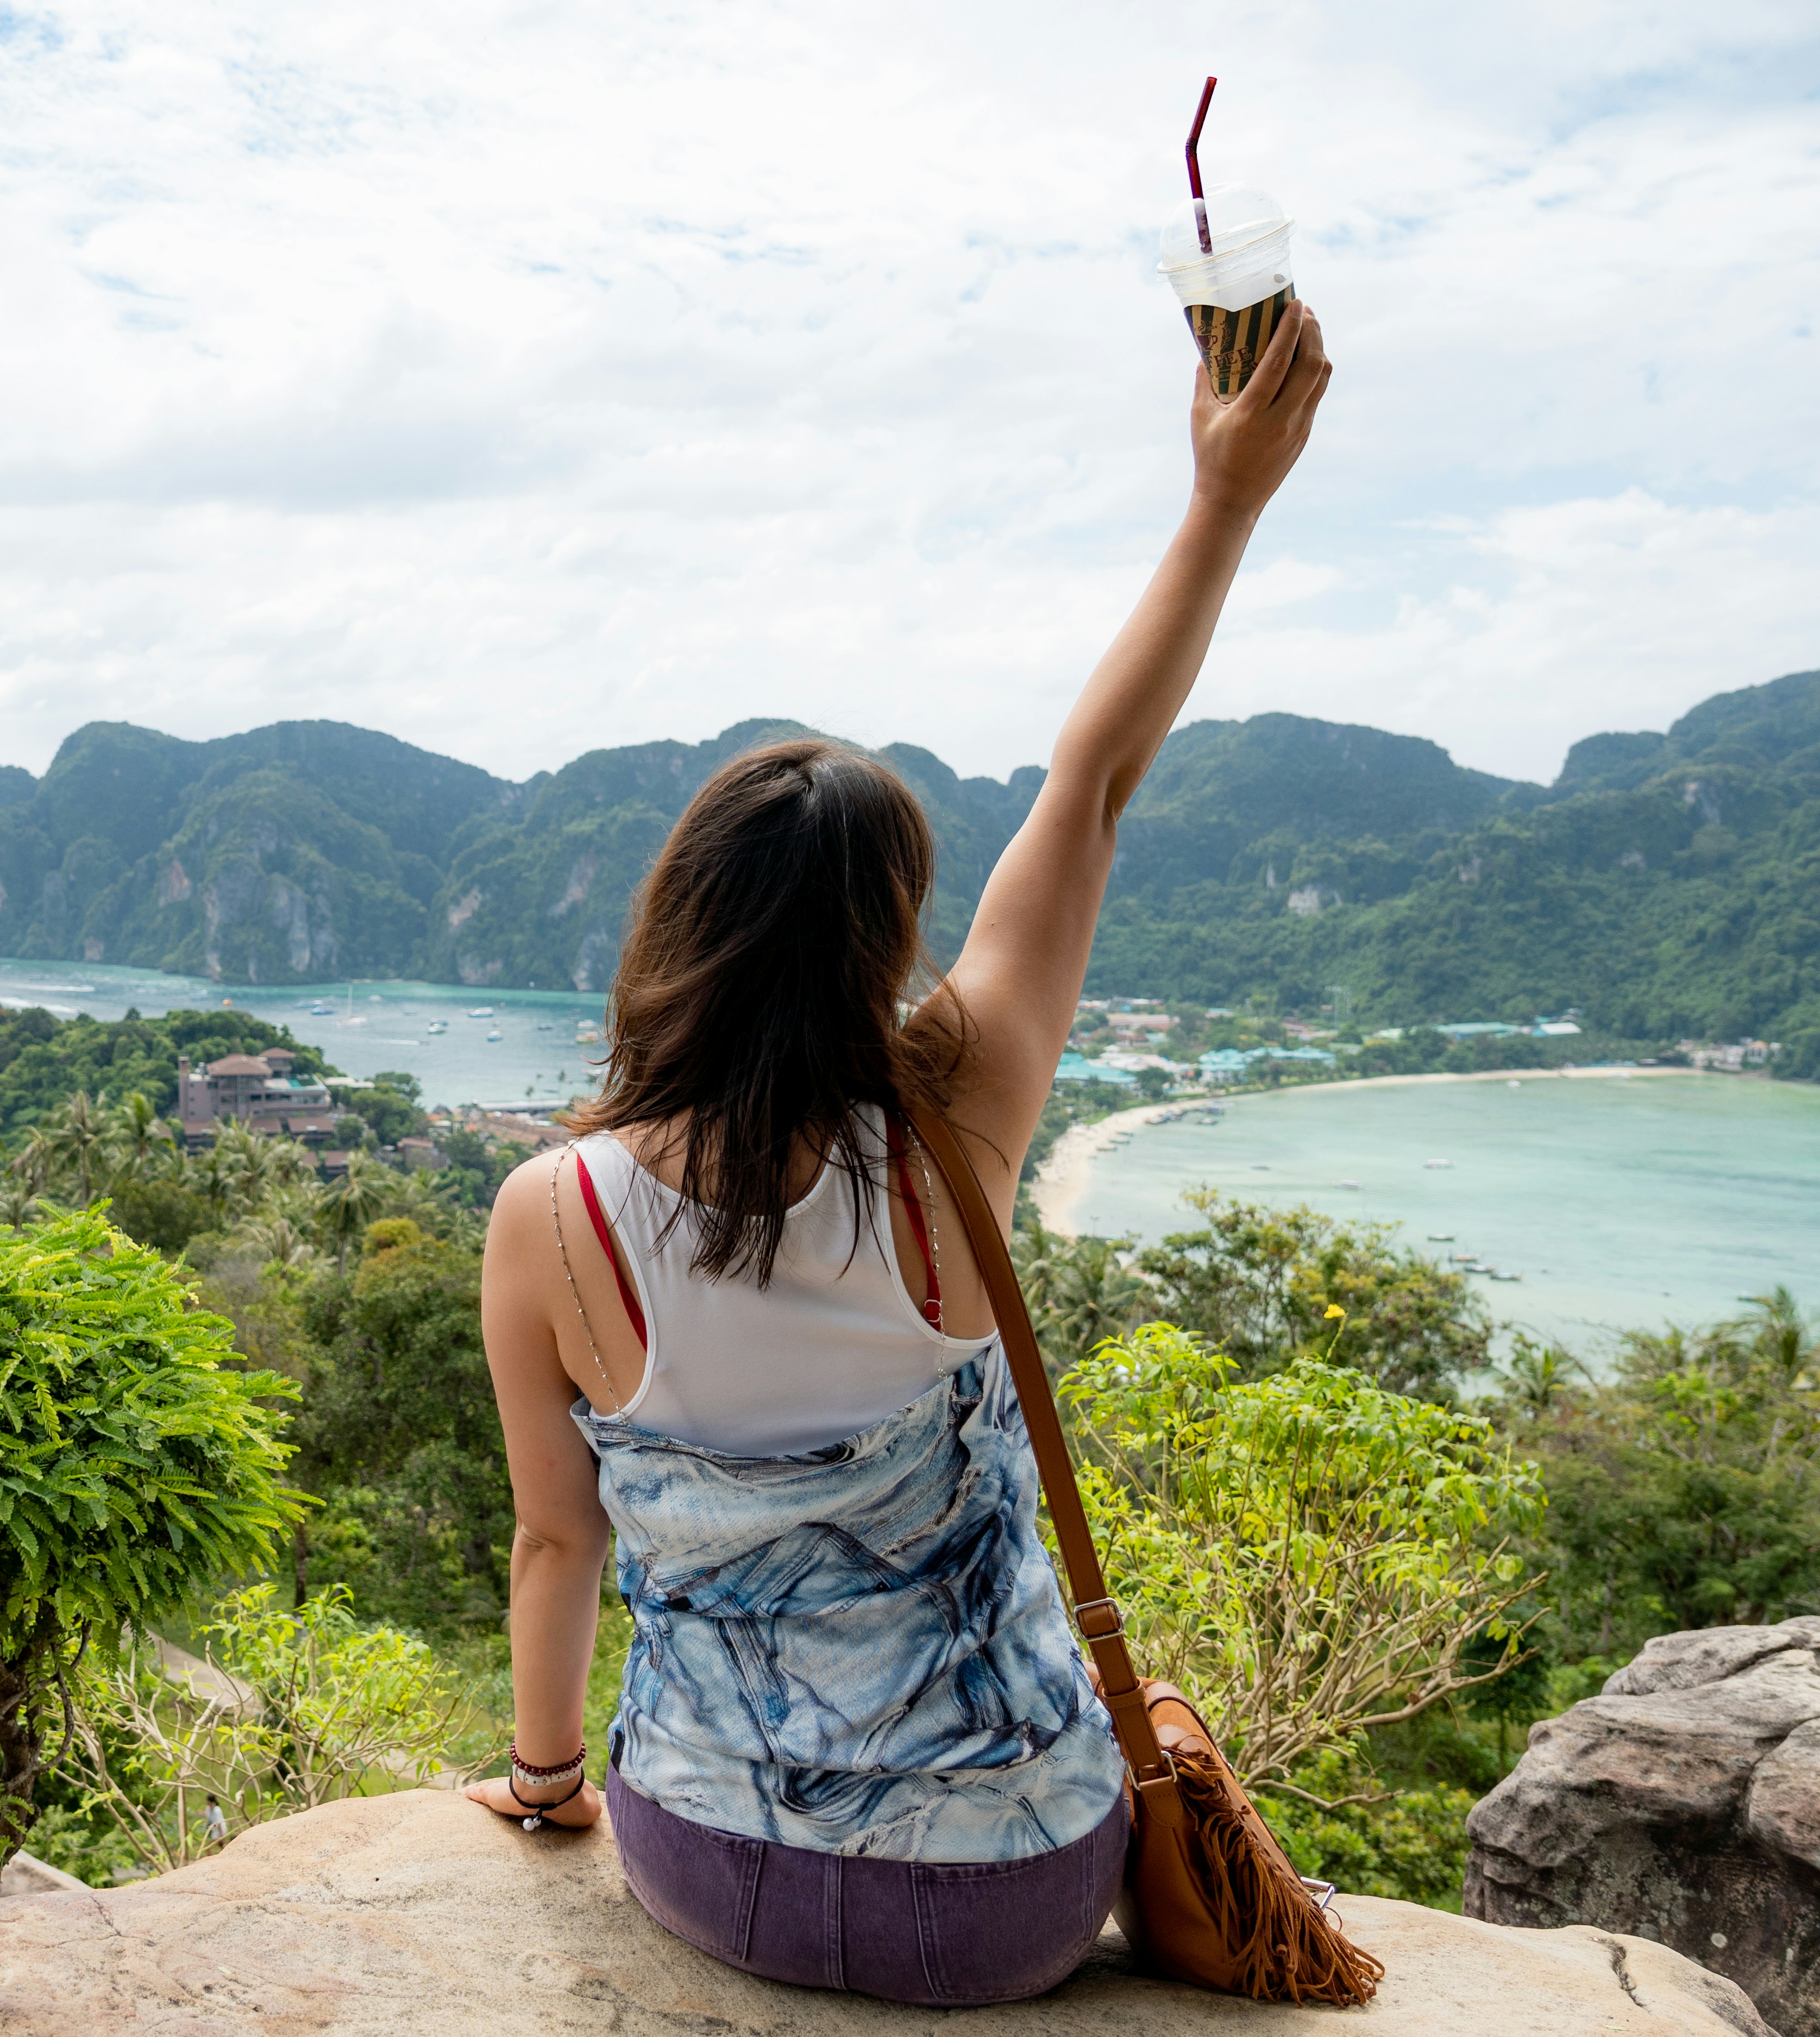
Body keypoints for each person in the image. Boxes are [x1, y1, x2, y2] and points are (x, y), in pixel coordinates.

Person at [463, 303, 1333, 2006]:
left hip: (711, 1868)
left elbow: (555, 1543)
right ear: (887, 936)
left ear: (677, 925)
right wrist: (1225, 501)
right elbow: (1088, 786)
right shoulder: (964, 1116)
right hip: (1008, 1896)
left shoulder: (551, 1214)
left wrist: (551, 1788)